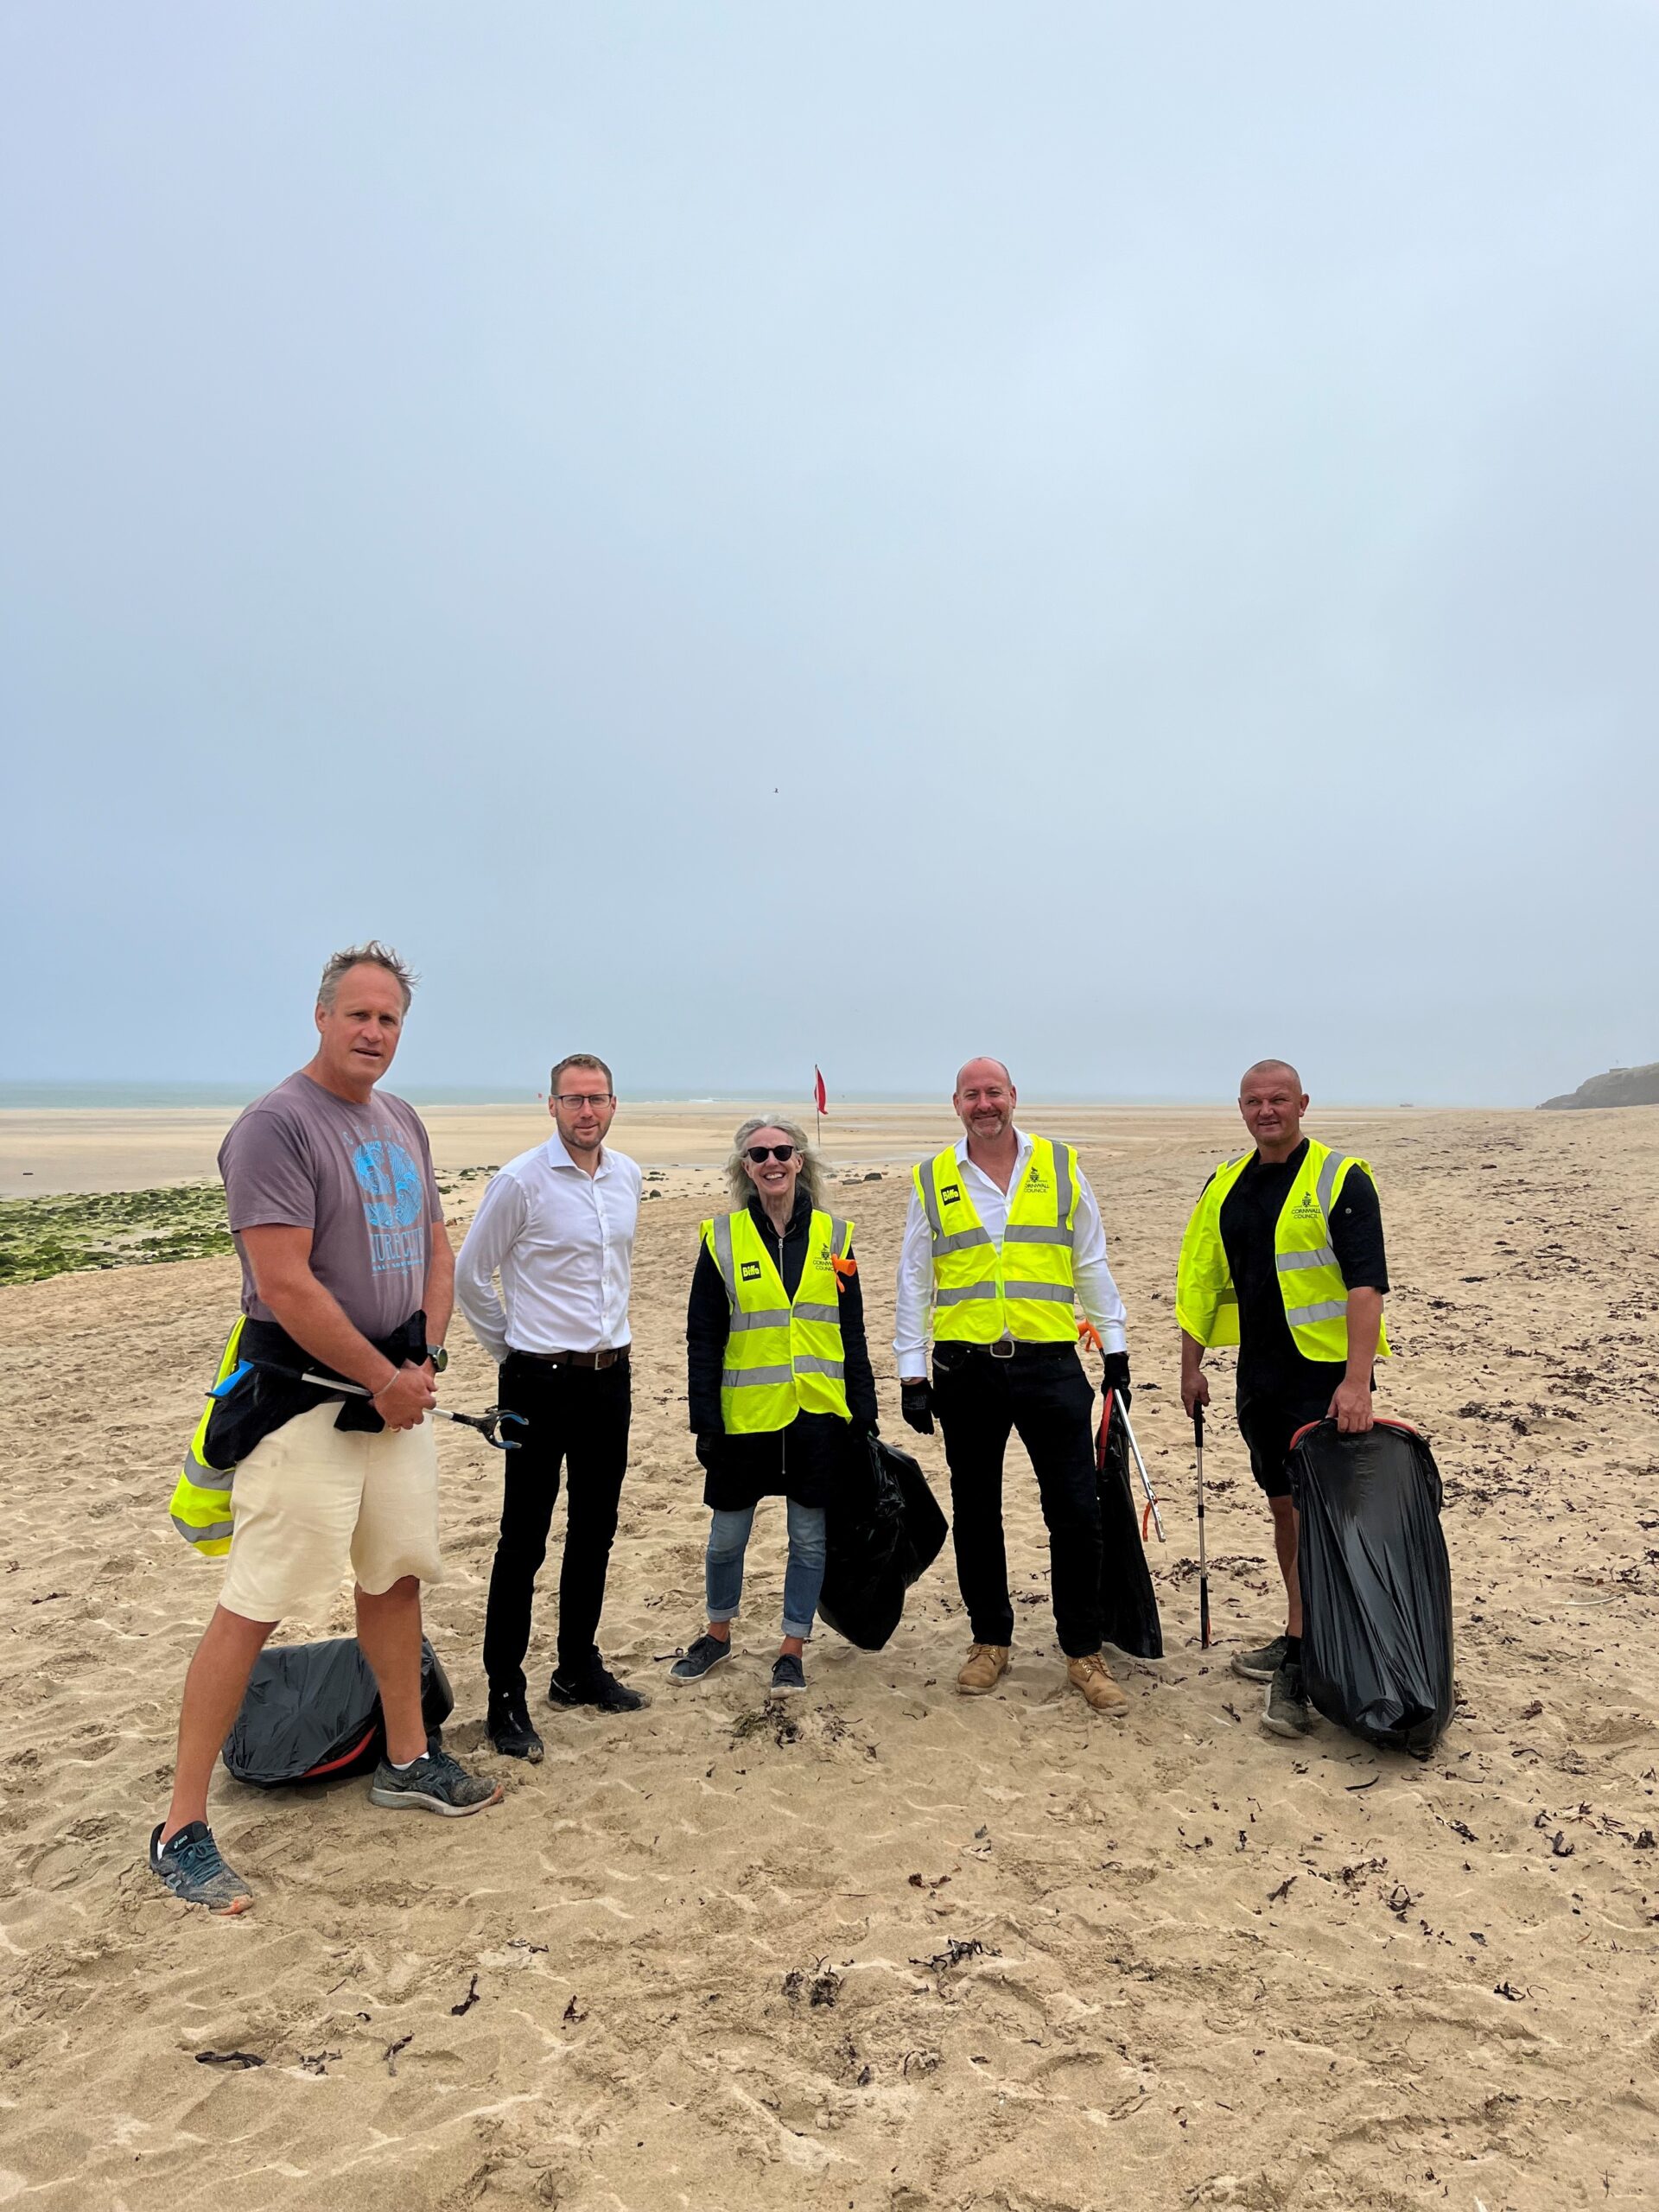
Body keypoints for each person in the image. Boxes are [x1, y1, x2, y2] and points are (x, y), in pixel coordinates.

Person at [150, 944, 500, 1913]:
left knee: (392, 1577)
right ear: (320, 1016)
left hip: (396, 1398)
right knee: (256, 1599)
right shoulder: (275, 1125)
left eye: (389, 1019)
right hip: (303, 1404)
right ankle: (181, 1825)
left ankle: (407, 1756)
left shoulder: (403, 1120)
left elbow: (436, 1245)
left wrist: (420, 1361)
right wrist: (383, 1374)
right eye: (358, 1015)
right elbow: (286, 1283)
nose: (374, 1033)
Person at [895, 1058, 1133, 1714]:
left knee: (1076, 1513)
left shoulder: (1059, 1165)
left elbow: (1091, 1259)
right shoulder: (933, 1177)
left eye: (993, 1092)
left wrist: (1115, 1350)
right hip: (964, 1370)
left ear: (1013, 1097)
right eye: (971, 1095)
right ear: (956, 1104)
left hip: (1051, 1365)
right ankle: (989, 1640)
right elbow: (915, 1280)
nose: (983, 1104)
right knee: (977, 1511)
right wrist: (912, 1373)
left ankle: (1083, 1651)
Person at [1177, 1058, 1390, 1738]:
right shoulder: (1226, 1184)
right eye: (1253, 1101)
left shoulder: (1341, 1178)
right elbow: (1201, 1281)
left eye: (1278, 1100)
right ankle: (1300, 1629)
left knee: (1326, 1518)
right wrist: (1192, 1366)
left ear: (1302, 1103)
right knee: (1284, 1513)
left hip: (1324, 1380)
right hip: (1259, 1379)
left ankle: (1304, 1659)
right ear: (1240, 1108)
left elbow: (1366, 1288)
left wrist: (1356, 1383)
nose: (1265, 1111)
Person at [454, 1053, 645, 1757]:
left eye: (597, 1099)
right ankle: (506, 1693)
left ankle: (577, 1668)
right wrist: (513, 1354)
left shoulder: (627, 1176)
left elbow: (613, 1274)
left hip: (610, 1378)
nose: (586, 1112)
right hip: (537, 1381)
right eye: (574, 1100)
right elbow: (473, 1275)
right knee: (523, 1539)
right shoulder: (521, 1181)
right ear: (552, 1105)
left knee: (596, 1527)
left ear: (614, 1105)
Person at [672, 1116, 878, 1696]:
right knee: (726, 1541)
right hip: (745, 1420)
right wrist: (705, 1422)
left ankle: (792, 1646)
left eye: (782, 1151)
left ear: (799, 1159)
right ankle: (717, 1633)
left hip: (817, 1417)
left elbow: (851, 1329)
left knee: (809, 1540)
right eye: (759, 1154)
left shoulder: (837, 1237)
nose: (772, 1162)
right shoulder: (723, 1237)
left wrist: (863, 1408)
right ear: (746, 1168)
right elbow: (704, 1337)